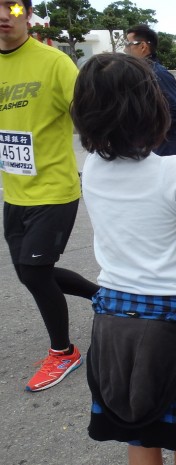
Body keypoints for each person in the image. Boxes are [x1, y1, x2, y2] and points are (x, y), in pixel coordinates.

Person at [73, 52, 176, 464]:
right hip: (173, 315)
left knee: (139, 428)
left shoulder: (91, 167)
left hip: (114, 311)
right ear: (151, 108)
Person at [0, 0, 99, 392]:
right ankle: (102, 296)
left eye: (14, 7)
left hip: (55, 189)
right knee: (28, 273)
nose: (4, 15)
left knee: (37, 272)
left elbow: (89, 115)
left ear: (28, 14)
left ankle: (64, 352)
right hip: (15, 192)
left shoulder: (54, 62)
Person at [124, 24, 176, 160]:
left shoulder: (158, 73)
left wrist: (148, 127)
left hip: (170, 153)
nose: (125, 49)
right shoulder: (143, 73)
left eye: (128, 44)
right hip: (155, 151)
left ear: (143, 46)